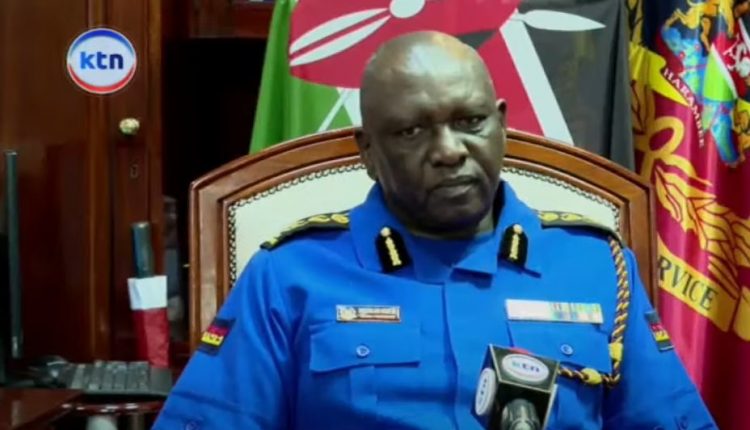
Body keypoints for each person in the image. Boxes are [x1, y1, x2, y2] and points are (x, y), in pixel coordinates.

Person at [153, 31, 717, 429]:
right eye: (411, 131)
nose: (449, 151)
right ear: (367, 151)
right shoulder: (289, 275)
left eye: (470, 122)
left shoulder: (594, 266)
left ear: (501, 123)